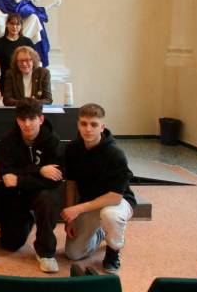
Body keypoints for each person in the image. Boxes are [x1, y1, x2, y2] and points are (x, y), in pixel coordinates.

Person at [62, 104, 136, 273]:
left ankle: (113, 250)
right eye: (84, 123)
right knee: (73, 253)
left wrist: (78, 208)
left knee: (110, 215)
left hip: (118, 201)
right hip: (91, 203)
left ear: (102, 127)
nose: (88, 129)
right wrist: (70, 217)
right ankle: (103, 233)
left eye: (94, 124)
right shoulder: (73, 149)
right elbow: (71, 182)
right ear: (78, 125)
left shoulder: (115, 154)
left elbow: (115, 197)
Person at [0, 98, 65, 273]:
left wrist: (21, 178)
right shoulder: (8, 141)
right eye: (22, 119)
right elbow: (7, 178)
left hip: (43, 190)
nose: (27, 124)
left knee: (47, 200)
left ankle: (46, 252)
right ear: (17, 120)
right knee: (10, 244)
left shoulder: (52, 140)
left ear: (41, 119)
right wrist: (40, 170)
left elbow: (54, 178)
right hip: (18, 192)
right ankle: (29, 219)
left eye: (32, 119)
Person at [0, 13, 34, 100]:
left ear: (21, 26)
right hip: (6, 83)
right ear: (7, 24)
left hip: (25, 82)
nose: (15, 27)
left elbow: (33, 64)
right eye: (12, 24)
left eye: (18, 24)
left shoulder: (27, 42)